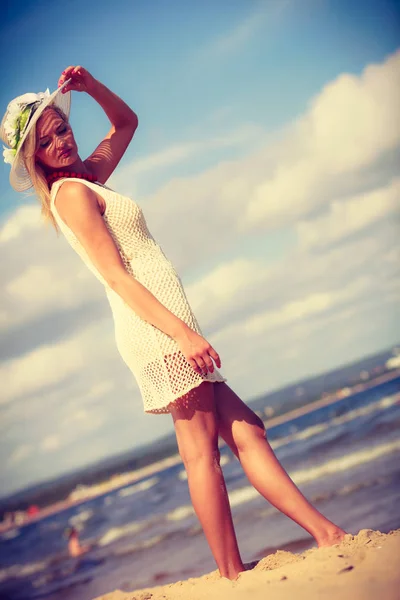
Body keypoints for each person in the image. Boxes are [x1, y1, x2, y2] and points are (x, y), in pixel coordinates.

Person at [1, 66, 347, 580]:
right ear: (33, 160)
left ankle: (327, 535)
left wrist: (91, 88)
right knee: (200, 455)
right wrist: (183, 335)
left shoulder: (86, 179)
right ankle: (233, 574)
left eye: (62, 128)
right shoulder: (72, 195)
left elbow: (127, 124)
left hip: (167, 328)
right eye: (46, 141)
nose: (61, 141)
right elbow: (118, 278)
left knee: (246, 430)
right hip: (158, 333)